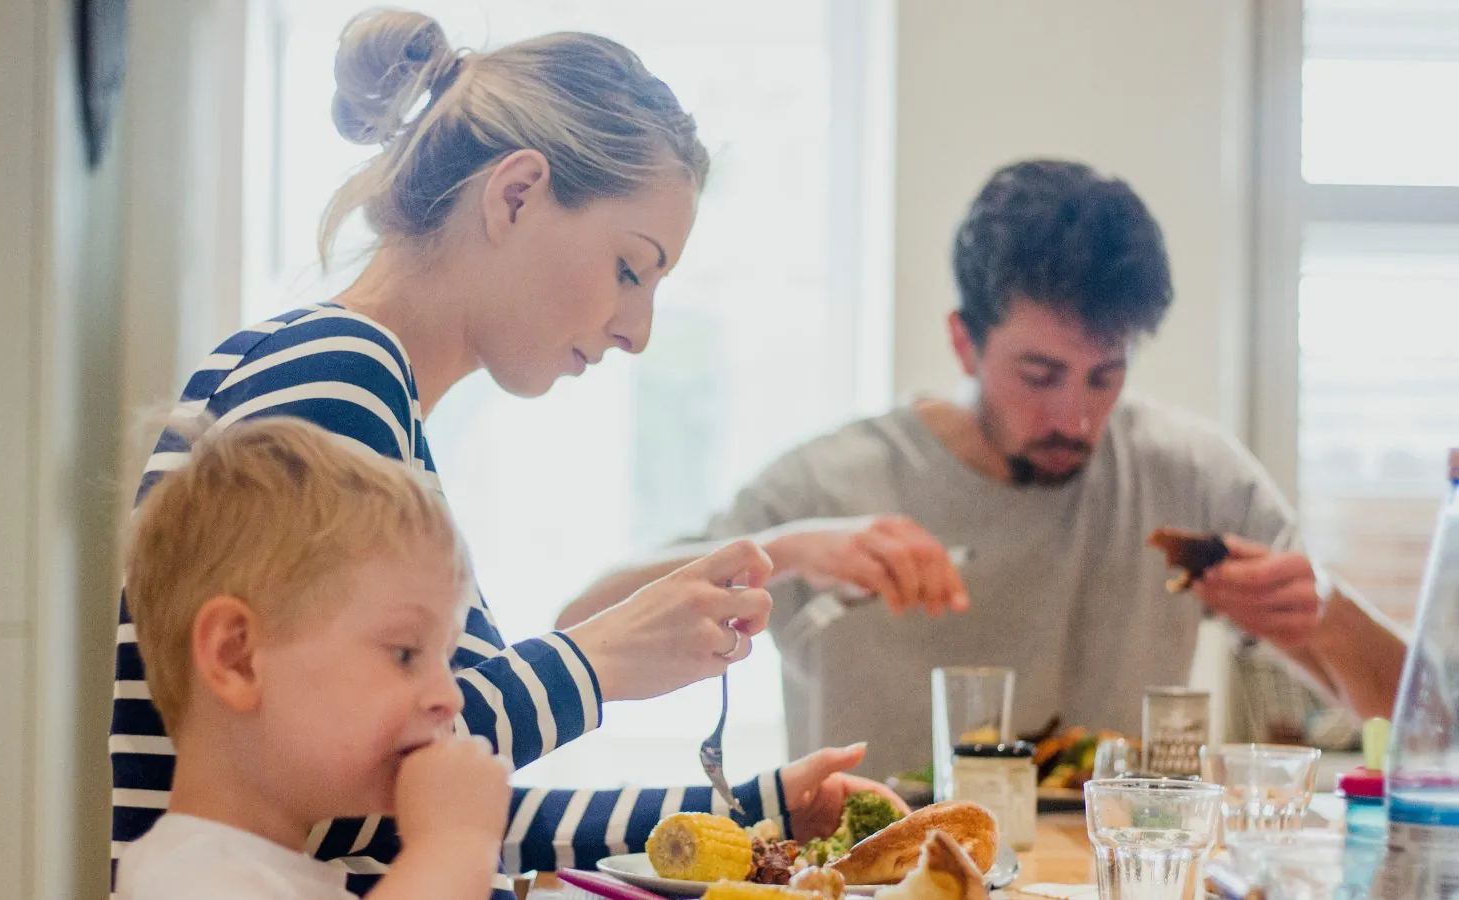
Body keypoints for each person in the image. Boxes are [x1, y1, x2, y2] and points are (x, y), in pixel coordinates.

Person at [109, 10, 901, 899]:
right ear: (516, 194)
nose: (637, 331)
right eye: (630, 270)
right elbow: (364, 775)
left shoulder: (360, 388)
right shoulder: (337, 375)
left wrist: (762, 811)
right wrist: (599, 657)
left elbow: (431, 802)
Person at [557, 159, 1408, 780]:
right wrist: (790, 549)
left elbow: (1424, 724)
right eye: (1039, 376)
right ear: (964, 339)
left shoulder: (1189, 474)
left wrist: (1324, 614)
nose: (1074, 417)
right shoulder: (830, 486)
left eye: (1105, 376)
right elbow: (579, 627)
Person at [116, 415, 512, 899]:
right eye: (406, 653)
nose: (449, 696)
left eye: (445, 658)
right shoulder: (189, 882)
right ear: (236, 657)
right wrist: (453, 846)